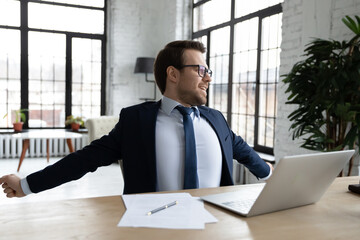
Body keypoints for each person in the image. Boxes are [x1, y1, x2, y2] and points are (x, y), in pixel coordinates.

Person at [0, 40, 273, 198]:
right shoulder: (136, 121)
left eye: (209, 70)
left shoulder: (216, 119)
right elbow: (86, 159)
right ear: (173, 74)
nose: (209, 77)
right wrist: (26, 185)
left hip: (217, 228)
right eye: (201, 69)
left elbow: (244, 151)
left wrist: (274, 175)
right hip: (153, 228)